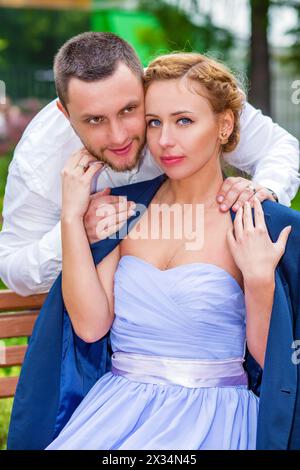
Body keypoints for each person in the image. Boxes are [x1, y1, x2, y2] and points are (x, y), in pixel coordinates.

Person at [42, 52, 300, 450]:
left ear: (224, 124)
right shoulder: (123, 209)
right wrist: (71, 220)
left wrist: (260, 279)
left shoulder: (255, 223)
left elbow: (273, 362)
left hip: (214, 418)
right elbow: (91, 327)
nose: (164, 141)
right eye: (154, 122)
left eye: (184, 121)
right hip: (118, 411)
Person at [0, 32, 299, 297]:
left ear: (142, 84)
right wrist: (76, 231)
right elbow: (15, 271)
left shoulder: (175, 92)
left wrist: (262, 192)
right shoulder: (41, 155)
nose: (118, 137)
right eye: (95, 120)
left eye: (129, 109)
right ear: (65, 113)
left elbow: (281, 147)